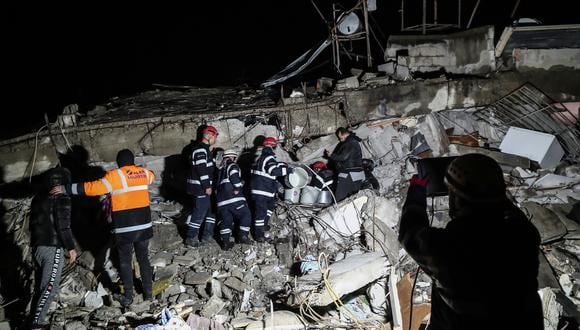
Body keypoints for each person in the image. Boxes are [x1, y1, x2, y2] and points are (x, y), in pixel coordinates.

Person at [398, 154, 543, 330]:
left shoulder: (447, 247)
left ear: (456, 199)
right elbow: (505, 207)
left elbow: (409, 232)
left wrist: (416, 192)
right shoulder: (525, 234)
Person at [53, 149, 156, 307]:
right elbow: (152, 175)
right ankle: (149, 295)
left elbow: (92, 188)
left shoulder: (115, 176)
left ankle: (128, 297)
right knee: (144, 259)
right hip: (144, 226)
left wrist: (67, 188)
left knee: (125, 262)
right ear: (132, 161)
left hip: (125, 228)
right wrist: (138, 170)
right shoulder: (143, 173)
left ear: (118, 162)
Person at [30, 168, 77, 329]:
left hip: (38, 248)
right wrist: (70, 247)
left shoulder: (38, 198)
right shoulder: (62, 198)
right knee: (50, 287)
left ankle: (32, 320)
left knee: (41, 287)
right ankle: (37, 324)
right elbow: (63, 225)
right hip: (53, 248)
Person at [250, 137, 291, 242]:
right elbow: (273, 171)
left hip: (265, 191)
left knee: (270, 206)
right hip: (262, 190)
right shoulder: (268, 157)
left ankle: (263, 225)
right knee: (261, 212)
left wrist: (282, 165)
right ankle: (258, 234)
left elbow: (271, 166)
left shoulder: (263, 157)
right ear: (274, 146)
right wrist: (288, 170)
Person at [185, 125, 218, 247]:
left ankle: (206, 236)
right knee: (199, 212)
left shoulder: (205, 150)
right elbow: (201, 169)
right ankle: (190, 237)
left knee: (211, 211)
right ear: (209, 136)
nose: (215, 140)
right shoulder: (199, 150)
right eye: (215, 137)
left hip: (205, 187)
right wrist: (207, 186)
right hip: (200, 188)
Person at [216, 149, 252, 250]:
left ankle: (225, 242)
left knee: (226, 220)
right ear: (233, 157)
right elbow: (234, 178)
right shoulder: (232, 165)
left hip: (221, 201)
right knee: (246, 214)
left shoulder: (220, 169)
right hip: (233, 198)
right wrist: (238, 187)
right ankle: (243, 237)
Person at [324, 127, 364, 201]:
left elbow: (343, 157)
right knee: (356, 197)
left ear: (345, 134)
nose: (339, 139)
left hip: (348, 174)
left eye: (340, 137)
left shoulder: (350, 142)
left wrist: (331, 155)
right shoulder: (354, 141)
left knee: (340, 198)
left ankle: (338, 211)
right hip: (357, 174)